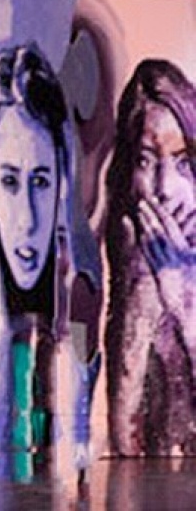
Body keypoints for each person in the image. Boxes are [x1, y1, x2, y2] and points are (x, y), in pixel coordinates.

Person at [0, 43, 101, 483]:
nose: (27, 218)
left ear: (61, 184)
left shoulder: (80, 310)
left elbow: (74, 466)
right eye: (7, 181)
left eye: (41, 182)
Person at [103, 58, 196, 456]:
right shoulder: (129, 251)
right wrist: (141, 297)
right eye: (146, 160)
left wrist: (185, 300)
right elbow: (125, 444)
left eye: (183, 163)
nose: (165, 188)